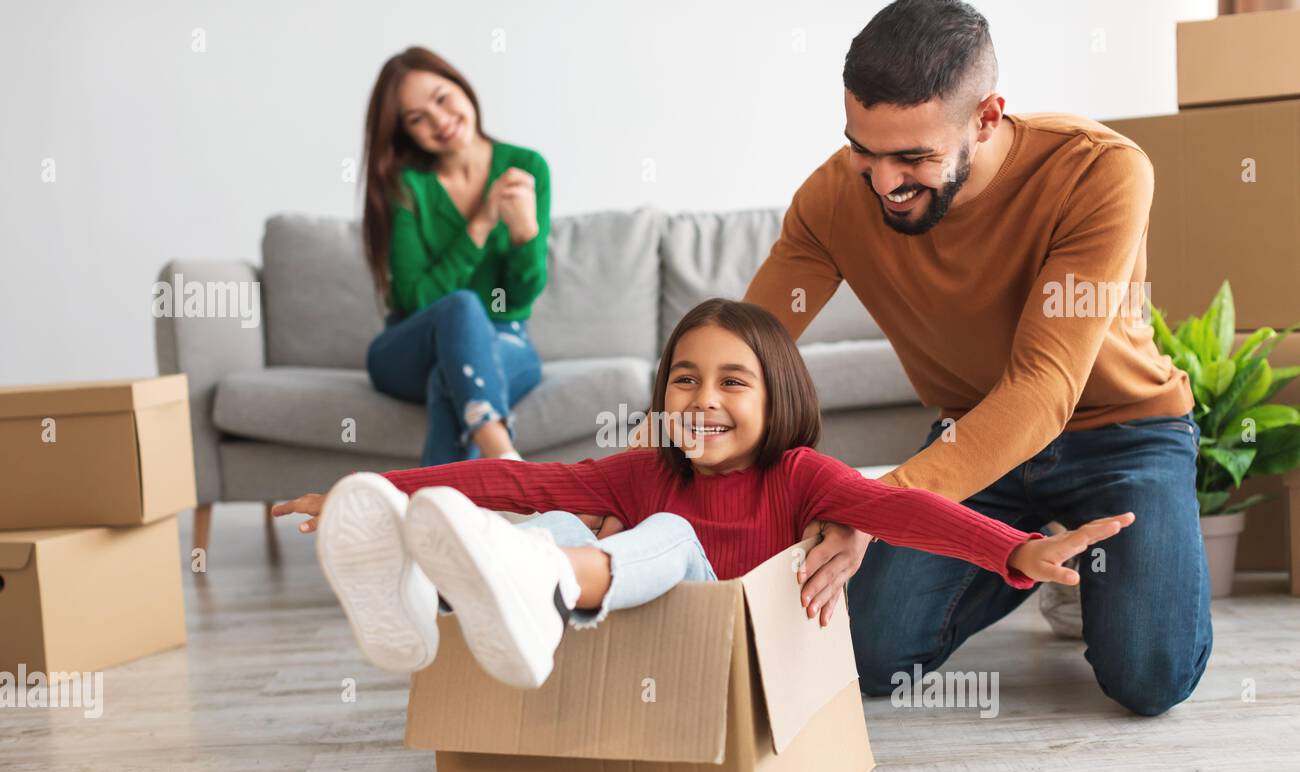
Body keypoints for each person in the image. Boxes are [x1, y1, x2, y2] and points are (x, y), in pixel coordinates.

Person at [737, 0, 1208, 716]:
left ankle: (1082, 572)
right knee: (869, 657)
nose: (885, 183)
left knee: (1149, 677)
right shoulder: (836, 197)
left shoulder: (1100, 171)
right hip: (973, 438)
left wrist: (876, 508)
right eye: (864, 148)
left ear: (987, 118)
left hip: (1124, 432)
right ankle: (1019, 552)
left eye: (915, 157)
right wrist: (655, 468)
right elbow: (747, 348)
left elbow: (1043, 388)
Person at [274, 299, 1133, 689]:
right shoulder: (642, 466)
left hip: (732, 668)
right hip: (620, 637)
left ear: (779, 400)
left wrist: (1012, 550)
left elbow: (901, 510)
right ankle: (422, 592)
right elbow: (512, 474)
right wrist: (376, 486)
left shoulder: (800, 478)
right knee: (557, 510)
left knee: (672, 539)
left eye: (732, 382)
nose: (702, 400)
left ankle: (537, 581)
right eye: (684, 380)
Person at [360, 47, 549, 465]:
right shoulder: (408, 188)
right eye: (417, 118)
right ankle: (508, 464)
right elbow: (416, 298)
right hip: (410, 345)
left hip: (505, 338)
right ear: (405, 132)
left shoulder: (526, 166)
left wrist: (524, 234)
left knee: (449, 377)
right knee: (461, 306)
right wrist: (480, 224)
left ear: (462, 87)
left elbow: (519, 298)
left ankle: (435, 522)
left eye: (442, 98)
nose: (439, 121)